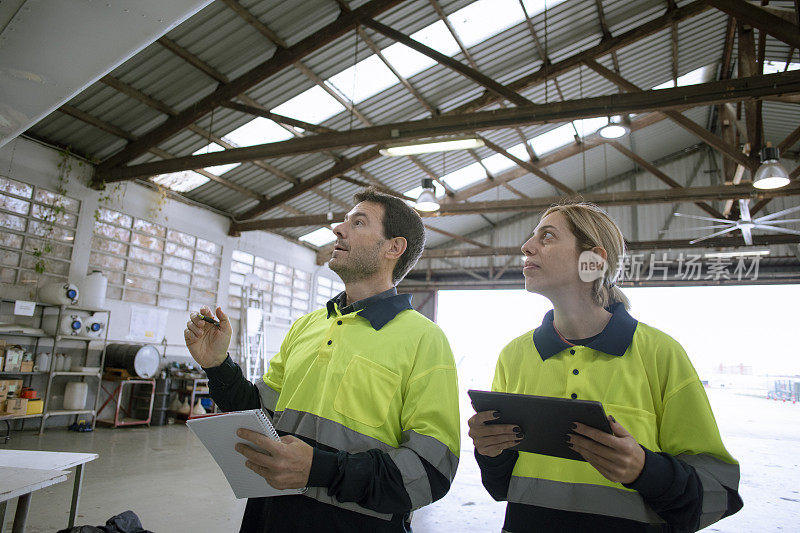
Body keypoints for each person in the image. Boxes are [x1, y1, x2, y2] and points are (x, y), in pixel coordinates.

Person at [184, 188, 460, 533]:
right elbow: (262, 415)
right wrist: (217, 364)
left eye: (357, 222)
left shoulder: (425, 340)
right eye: (344, 220)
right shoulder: (308, 325)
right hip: (269, 516)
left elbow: (430, 472)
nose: (338, 229)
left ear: (394, 247)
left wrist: (321, 469)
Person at [468, 202, 743, 532]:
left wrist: (645, 470)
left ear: (592, 261)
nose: (526, 247)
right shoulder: (514, 356)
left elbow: (718, 494)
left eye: (548, 236)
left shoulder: (661, 354)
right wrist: (490, 452)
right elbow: (502, 487)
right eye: (532, 237)